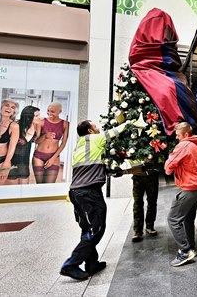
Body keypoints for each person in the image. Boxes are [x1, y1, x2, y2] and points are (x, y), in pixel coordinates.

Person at [60, 119, 131, 281]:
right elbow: (115, 132)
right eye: (95, 126)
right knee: (96, 229)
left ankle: (91, 264)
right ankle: (70, 265)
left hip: (77, 194)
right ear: (90, 131)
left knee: (87, 229)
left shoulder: (81, 145)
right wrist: (132, 122)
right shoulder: (94, 139)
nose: (98, 128)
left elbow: (91, 168)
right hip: (89, 194)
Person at [164, 122, 197, 267]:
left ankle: (185, 251)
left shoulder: (184, 146)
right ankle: (192, 247)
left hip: (189, 187)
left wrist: (170, 159)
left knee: (173, 219)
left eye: (178, 135)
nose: (176, 137)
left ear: (186, 135)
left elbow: (168, 167)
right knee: (188, 218)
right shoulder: (195, 144)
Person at [34, 102, 69, 183]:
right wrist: (45, 136)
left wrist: (53, 159)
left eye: (52, 111)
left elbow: (63, 143)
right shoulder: (41, 121)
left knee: (49, 185)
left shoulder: (65, 124)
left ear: (60, 111)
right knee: (39, 184)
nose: (49, 113)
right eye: (48, 110)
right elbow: (36, 141)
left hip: (54, 157)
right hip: (38, 156)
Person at [7, 106, 41, 185]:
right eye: (37, 116)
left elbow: (36, 140)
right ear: (29, 117)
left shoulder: (35, 126)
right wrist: (6, 163)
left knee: (24, 190)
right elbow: (10, 146)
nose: (40, 117)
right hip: (12, 163)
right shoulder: (16, 126)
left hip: (25, 164)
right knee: (12, 191)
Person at [131, 164, 159, 242]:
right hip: (137, 176)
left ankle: (150, 226)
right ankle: (137, 230)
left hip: (152, 175)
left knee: (152, 201)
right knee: (137, 203)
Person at [0, 99, 20, 185]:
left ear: (14, 112)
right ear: (1, 107)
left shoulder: (14, 126)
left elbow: (12, 147)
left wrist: (6, 164)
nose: (9, 108)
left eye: (12, 107)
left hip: (2, 160)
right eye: (7, 105)